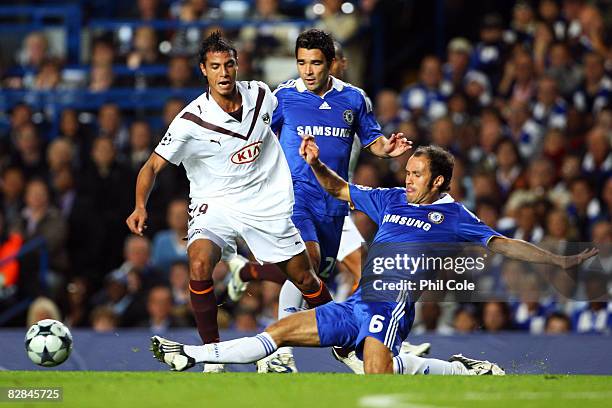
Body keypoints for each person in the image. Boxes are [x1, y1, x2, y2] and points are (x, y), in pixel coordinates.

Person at [151, 143, 598, 374]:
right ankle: (193, 354)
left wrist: (556, 262)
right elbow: (338, 189)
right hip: (358, 303)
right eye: (408, 171)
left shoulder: (455, 216)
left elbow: (501, 243)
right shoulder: (389, 199)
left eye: (417, 174)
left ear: (439, 181)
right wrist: (314, 164)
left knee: (376, 378)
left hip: (391, 307)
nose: (408, 179)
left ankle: (446, 368)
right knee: (279, 331)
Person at [126, 32, 333, 373]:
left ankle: (348, 342)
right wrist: (139, 205)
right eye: (215, 67)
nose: (224, 73)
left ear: (237, 66)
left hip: (264, 202)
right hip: (215, 203)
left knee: (305, 279)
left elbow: (293, 112)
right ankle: (212, 355)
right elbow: (151, 166)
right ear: (203, 70)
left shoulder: (262, 95)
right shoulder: (190, 120)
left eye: (229, 65)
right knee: (198, 263)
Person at [226, 29, 411, 373]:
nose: (307, 71)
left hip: (335, 204)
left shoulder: (354, 99)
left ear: (331, 64)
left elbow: (372, 140)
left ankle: (262, 296)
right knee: (306, 260)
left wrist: (388, 150)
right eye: (301, 63)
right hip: (294, 197)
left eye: (315, 63)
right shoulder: (282, 98)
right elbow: (255, 138)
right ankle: (279, 352)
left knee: (312, 276)